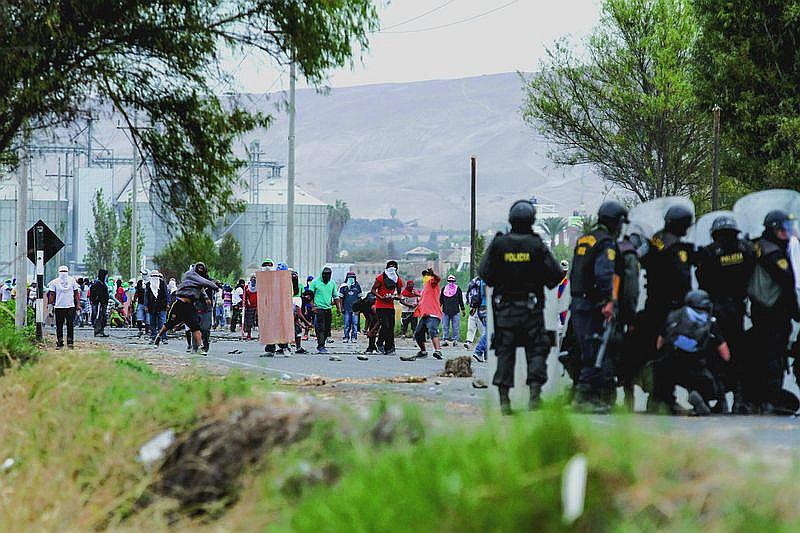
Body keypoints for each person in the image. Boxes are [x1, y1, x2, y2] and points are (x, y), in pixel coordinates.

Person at [479, 199, 562, 414]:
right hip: (531, 311)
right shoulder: (536, 245)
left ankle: (505, 401)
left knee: (504, 353)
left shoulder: (499, 244)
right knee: (537, 350)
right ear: (532, 220)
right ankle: (535, 397)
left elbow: (485, 274)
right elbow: (555, 276)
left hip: (505, 311)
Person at [569, 201, 628, 414]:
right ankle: (584, 398)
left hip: (578, 302)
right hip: (593, 304)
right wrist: (609, 300)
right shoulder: (606, 243)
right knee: (595, 350)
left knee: (586, 348)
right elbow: (604, 273)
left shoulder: (585, 239)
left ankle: (589, 396)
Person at [694, 215, 755, 413]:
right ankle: (740, 399)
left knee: (715, 355)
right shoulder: (746, 249)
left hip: (716, 312)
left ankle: (720, 400)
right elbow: (752, 272)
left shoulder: (709, 253)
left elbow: (701, 279)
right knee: (739, 354)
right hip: (737, 310)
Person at [635, 205, 694, 404]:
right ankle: (663, 397)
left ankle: (657, 396)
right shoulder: (676, 249)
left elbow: (641, 260)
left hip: (653, 305)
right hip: (671, 309)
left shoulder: (656, 240)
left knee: (656, 350)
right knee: (669, 352)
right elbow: (683, 279)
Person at [743, 210, 800, 414]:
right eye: (784, 228)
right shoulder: (773, 253)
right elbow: (788, 281)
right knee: (773, 355)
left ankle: (759, 397)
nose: (788, 233)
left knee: (763, 352)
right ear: (773, 229)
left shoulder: (759, 245)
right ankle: (770, 398)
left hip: (762, 309)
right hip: (774, 310)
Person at [650, 290, 730, 416]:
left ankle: (665, 402)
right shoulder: (711, 322)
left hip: (672, 369)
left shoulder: (674, 316)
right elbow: (726, 355)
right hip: (700, 371)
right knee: (715, 368)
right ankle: (709, 400)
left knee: (660, 365)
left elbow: (659, 344)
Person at [153, 262, 218, 354]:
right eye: (198, 267)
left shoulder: (199, 282)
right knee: (169, 324)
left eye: (202, 268)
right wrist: (215, 286)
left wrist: (207, 297)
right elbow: (206, 283)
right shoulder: (190, 275)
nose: (200, 270)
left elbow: (202, 289)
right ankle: (158, 337)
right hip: (179, 304)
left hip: (190, 306)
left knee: (195, 327)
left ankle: (199, 347)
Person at [401, 268, 444, 361]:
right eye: (424, 275)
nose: (425, 277)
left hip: (433, 314)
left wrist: (433, 274)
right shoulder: (424, 289)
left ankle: (438, 350)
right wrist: (417, 295)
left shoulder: (432, 283)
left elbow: (438, 279)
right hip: (424, 315)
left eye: (427, 275)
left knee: (432, 331)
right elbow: (423, 299)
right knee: (417, 334)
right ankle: (423, 351)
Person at [372, 260, 403, 355]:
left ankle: (389, 347)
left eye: (394, 267)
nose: (392, 268)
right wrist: (380, 296)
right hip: (380, 305)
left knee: (391, 327)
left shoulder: (397, 279)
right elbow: (373, 290)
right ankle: (380, 342)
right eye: (390, 266)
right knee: (385, 325)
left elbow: (399, 293)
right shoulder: (380, 278)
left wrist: (397, 296)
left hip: (390, 306)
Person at [307, 266, 341, 354]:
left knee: (327, 329)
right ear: (322, 274)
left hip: (328, 308)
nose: (327, 276)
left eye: (329, 274)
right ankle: (320, 346)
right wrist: (313, 307)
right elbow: (310, 296)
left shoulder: (332, 283)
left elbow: (336, 297)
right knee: (320, 328)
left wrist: (339, 309)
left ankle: (322, 344)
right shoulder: (315, 283)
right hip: (319, 309)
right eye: (325, 274)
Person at [47, 265, 79, 349]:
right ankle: (61, 342)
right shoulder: (55, 282)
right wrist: (50, 306)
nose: (63, 273)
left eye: (65, 272)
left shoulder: (70, 281)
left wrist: (78, 305)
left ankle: (69, 342)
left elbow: (76, 293)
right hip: (60, 306)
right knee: (62, 325)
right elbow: (52, 294)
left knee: (68, 325)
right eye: (62, 272)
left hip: (69, 306)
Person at [439, 274, 465, 346]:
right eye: (449, 281)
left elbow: (460, 300)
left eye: (452, 281)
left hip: (455, 311)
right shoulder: (444, 289)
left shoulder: (458, 289)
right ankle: (445, 339)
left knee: (456, 326)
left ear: (455, 281)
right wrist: (437, 308)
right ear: (447, 281)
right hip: (445, 311)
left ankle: (455, 340)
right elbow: (440, 300)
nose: (451, 282)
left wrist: (463, 309)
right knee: (445, 326)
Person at [146, 270, 168, 344]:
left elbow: (166, 294)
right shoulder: (148, 284)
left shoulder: (162, 283)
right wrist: (146, 305)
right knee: (152, 322)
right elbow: (146, 296)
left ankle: (163, 337)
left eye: (156, 276)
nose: (155, 278)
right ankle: (153, 337)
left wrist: (168, 303)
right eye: (153, 276)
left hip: (162, 306)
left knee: (162, 322)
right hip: (151, 306)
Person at [464, 276, 487, 351]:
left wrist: (470, 303)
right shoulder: (484, 281)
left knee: (471, 324)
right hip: (481, 307)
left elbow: (468, 293)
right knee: (483, 329)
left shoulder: (473, 281)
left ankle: (469, 341)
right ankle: (483, 346)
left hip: (473, 307)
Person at [339, 272, 362, 343]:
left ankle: (354, 337)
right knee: (346, 324)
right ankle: (346, 337)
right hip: (346, 308)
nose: (351, 279)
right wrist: (341, 308)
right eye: (350, 277)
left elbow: (360, 298)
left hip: (355, 310)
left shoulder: (357, 286)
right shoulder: (343, 286)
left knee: (355, 324)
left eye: (353, 277)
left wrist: (359, 308)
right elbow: (341, 298)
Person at [90, 269, 110, 337]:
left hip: (102, 304)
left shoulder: (101, 283)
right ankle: (98, 331)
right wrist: (102, 302)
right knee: (99, 317)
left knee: (103, 317)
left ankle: (101, 331)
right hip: (100, 304)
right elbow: (99, 295)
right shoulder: (99, 284)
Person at [243, 274, 258, 340]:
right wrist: (245, 304)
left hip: (258, 306)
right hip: (249, 306)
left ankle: (261, 335)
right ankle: (249, 334)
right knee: (249, 321)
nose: (253, 280)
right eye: (252, 278)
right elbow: (244, 297)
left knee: (259, 321)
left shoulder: (259, 287)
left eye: (255, 278)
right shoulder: (246, 287)